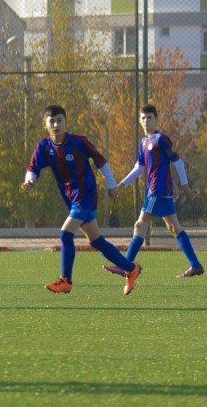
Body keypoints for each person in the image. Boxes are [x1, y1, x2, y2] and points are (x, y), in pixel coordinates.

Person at [21, 105, 141, 295]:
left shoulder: (78, 142)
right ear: (45, 124)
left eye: (59, 120)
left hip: (85, 195)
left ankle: (65, 281)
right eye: (52, 121)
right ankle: (131, 268)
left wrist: (111, 186)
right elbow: (33, 168)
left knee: (65, 234)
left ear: (66, 122)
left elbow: (101, 162)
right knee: (96, 241)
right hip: (71, 198)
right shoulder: (44, 146)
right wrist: (29, 180)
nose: (56, 124)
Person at [102, 104, 204, 278]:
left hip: (157, 189)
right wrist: (121, 185)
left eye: (149, 117)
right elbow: (138, 168)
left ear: (156, 119)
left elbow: (177, 161)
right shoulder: (144, 142)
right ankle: (195, 265)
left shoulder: (160, 139)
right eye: (143, 118)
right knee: (173, 227)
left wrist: (185, 186)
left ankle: (125, 266)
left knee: (140, 225)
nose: (146, 121)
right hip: (159, 191)